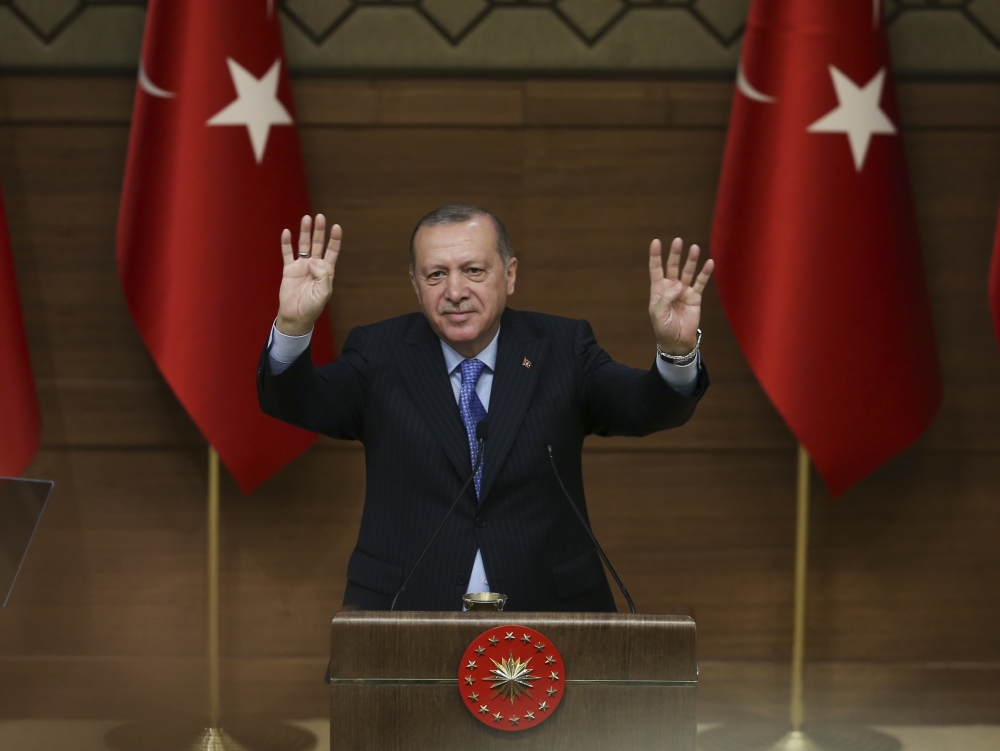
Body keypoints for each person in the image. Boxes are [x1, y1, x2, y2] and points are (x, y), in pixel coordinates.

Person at [257, 205, 714, 611]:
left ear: (509, 275)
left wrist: (676, 352)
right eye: (435, 275)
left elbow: (645, 408)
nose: (454, 291)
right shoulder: (380, 353)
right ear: (415, 285)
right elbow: (297, 402)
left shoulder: (562, 347)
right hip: (406, 610)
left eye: (473, 271)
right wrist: (294, 328)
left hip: (550, 610)